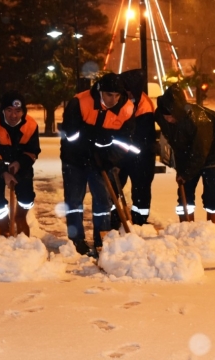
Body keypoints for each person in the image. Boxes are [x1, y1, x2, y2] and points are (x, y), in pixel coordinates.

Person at [60, 73, 135, 256]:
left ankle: (102, 238)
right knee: (74, 201)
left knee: (103, 200)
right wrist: (90, 137)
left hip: (103, 161)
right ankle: (77, 240)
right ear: (101, 91)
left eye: (117, 95)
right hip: (75, 159)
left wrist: (110, 158)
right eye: (110, 95)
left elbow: (125, 141)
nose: (114, 100)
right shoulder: (79, 102)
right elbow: (71, 135)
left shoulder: (126, 108)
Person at [154, 84, 215, 225]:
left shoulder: (200, 122)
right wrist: (181, 171)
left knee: (212, 192)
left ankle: (212, 228)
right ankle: (186, 225)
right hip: (188, 154)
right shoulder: (161, 116)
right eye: (165, 116)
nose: (168, 119)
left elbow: (200, 152)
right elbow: (177, 145)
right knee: (185, 192)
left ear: (179, 111)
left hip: (212, 155)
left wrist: (186, 174)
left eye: (171, 116)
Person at [0, 91, 40, 237]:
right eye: (9, 110)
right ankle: (4, 227)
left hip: (20, 164)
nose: (13, 115)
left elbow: (32, 151)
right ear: (3, 110)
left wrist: (20, 163)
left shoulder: (31, 125)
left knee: (26, 197)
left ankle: (20, 217)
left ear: (23, 111)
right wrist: (4, 172)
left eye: (18, 111)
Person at [110, 69, 156, 228]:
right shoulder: (120, 101)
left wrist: (134, 154)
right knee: (114, 187)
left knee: (141, 189)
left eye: (129, 91)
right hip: (121, 154)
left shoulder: (145, 105)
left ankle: (140, 220)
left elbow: (142, 137)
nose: (127, 94)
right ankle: (114, 218)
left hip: (141, 157)